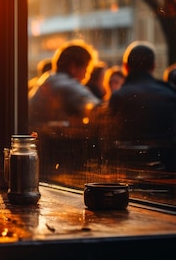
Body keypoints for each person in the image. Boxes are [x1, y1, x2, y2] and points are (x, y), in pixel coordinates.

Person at [108, 41, 176, 171]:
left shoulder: (118, 97)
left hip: (128, 169)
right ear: (153, 66)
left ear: (125, 67)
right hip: (168, 168)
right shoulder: (171, 92)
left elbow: (112, 137)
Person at [29, 40, 101, 130]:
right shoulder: (61, 83)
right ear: (73, 66)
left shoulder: (50, 78)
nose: (87, 76)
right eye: (86, 69)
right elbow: (96, 108)